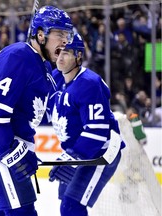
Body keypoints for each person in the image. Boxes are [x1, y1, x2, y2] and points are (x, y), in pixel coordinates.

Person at [0, 6, 74, 216]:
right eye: (59, 34)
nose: (65, 41)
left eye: (67, 35)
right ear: (40, 34)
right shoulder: (19, 56)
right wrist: (12, 152)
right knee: (23, 211)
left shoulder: (42, 67)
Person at [47, 33, 125, 216]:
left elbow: (97, 131)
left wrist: (73, 157)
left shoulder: (89, 84)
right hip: (77, 152)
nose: (60, 57)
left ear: (79, 56)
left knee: (71, 206)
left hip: (101, 152)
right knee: (65, 204)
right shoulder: (56, 78)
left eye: (66, 52)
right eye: (57, 51)